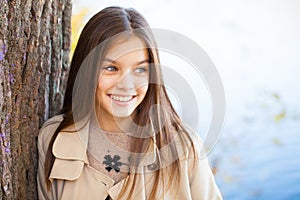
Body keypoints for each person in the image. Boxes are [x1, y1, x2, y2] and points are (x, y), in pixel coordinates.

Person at [37, 6, 222, 200]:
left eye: (140, 70)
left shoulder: (184, 147)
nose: (126, 85)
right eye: (111, 68)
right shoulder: (53, 138)